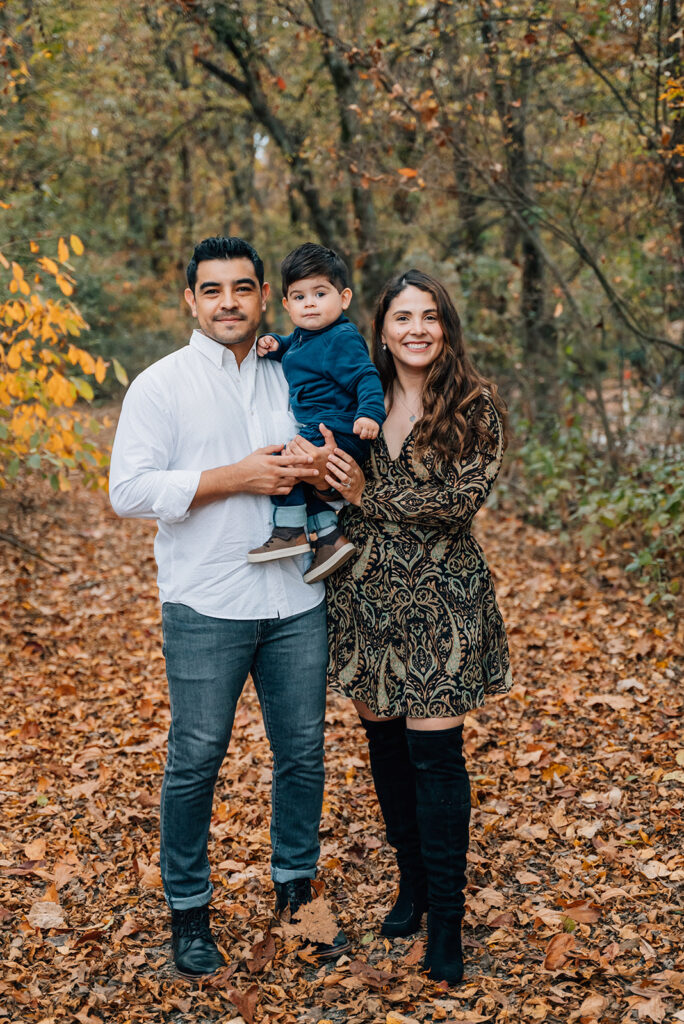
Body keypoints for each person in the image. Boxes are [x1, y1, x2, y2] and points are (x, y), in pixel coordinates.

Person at [109, 236, 350, 978]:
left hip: (297, 599)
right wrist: (235, 477)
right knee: (196, 760)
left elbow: (339, 458)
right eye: (212, 290)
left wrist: (331, 466)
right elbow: (129, 492)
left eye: (242, 289)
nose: (228, 303)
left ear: (262, 298)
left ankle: (296, 897)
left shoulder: (293, 370)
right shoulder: (161, 385)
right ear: (190, 300)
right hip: (206, 601)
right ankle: (189, 912)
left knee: (303, 756)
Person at [322, 269, 513, 985]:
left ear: (446, 326)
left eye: (430, 316)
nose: (417, 329)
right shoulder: (355, 397)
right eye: (404, 316)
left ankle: (448, 922)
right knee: (387, 752)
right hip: (367, 598)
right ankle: (412, 884)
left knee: (436, 761)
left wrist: (370, 492)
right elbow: (327, 480)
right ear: (381, 326)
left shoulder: (473, 402)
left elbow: (459, 503)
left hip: (443, 606)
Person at [247, 243, 386, 584]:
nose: (309, 303)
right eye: (299, 297)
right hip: (323, 427)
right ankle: (328, 539)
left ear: (344, 298)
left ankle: (290, 530)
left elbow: (365, 376)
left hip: (340, 429)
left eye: (320, 293)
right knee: (306, 479)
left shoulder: (340, 337)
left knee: (283, 460)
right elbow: (296, 349)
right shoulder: (305, 337)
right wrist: (276, 344)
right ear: (286, 305)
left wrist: (369, 413)